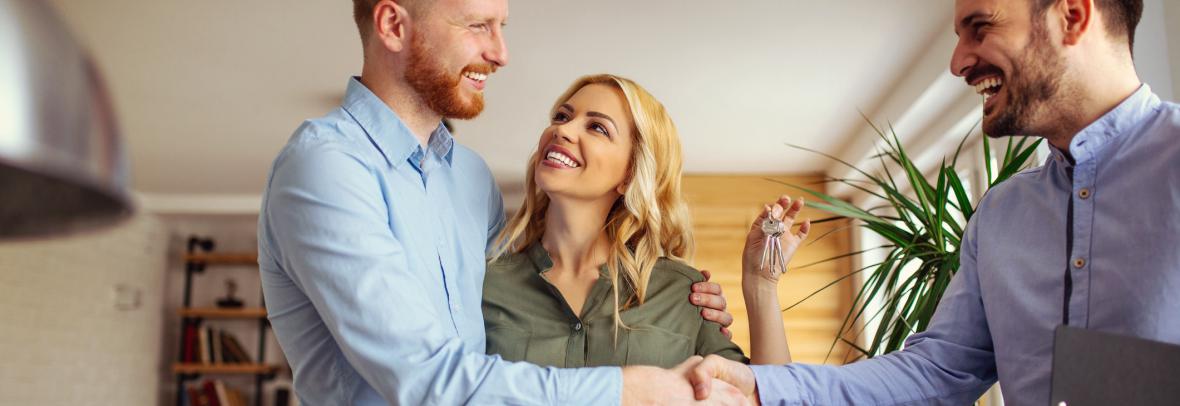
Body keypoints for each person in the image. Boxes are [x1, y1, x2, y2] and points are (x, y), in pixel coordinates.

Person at [688, 0, 1180, 405]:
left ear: (1072, 16)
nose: (958, 61)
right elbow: (936, 371)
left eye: (979, 27)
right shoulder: (1000, 216)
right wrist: (764, 386)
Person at [256, 0, 741, 404]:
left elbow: (509, 307)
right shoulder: (325, 167)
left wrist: (692, 299)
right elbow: (426, 379)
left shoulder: (469, 177)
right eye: (477, 27)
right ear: (393, 25)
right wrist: (630, 389)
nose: (501, 52)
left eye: (501, 27)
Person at [483, 74, 812, 368]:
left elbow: (763, 397)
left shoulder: (682, 291)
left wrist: (761, 284)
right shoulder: (484, 283)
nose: (562, 129)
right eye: (562, 116)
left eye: (597, 127)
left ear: (630, 174)